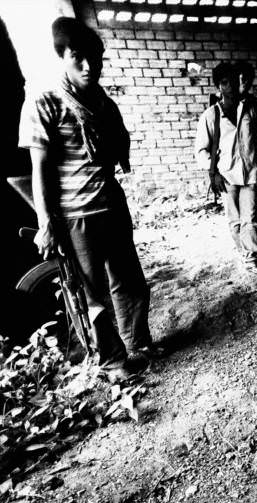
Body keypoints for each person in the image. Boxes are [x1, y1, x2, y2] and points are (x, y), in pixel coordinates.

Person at [21, 17, 155, 381]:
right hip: (77, 215)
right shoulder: (45, 101)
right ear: (61, 57)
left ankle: (138, 342)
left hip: (112, 205)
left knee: (129, 281)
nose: (88, 66)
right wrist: (47, 224)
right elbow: (40, 169)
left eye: (95, 58)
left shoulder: (101, 101)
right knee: (91, 294)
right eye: (78, 57)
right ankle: (113, 361)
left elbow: (116, 149)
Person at [194, 62, 257, 274]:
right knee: (235, 220)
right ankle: (245, 254)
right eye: (225, 83)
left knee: (250, 218)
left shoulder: (248, 110)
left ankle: (251, 255)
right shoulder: (211, 116)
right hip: (226, 176)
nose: (231, 87)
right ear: (219, 86)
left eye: (234, 81)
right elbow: (201, 150)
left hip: (249, 172)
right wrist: (214, 173)